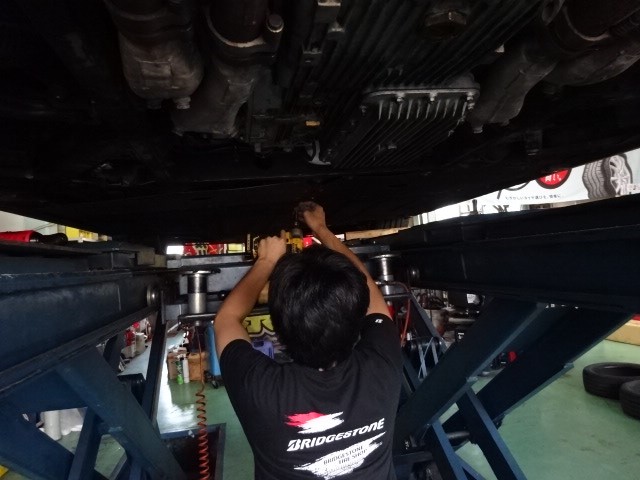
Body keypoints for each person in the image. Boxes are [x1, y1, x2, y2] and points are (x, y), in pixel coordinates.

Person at [214, 201, 402, 480]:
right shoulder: (383, 366)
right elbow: (369, 289)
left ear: (278, 327)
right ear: (357, 320)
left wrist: (266, 261)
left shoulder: (263, 391)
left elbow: (226, 318)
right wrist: (322, 230)